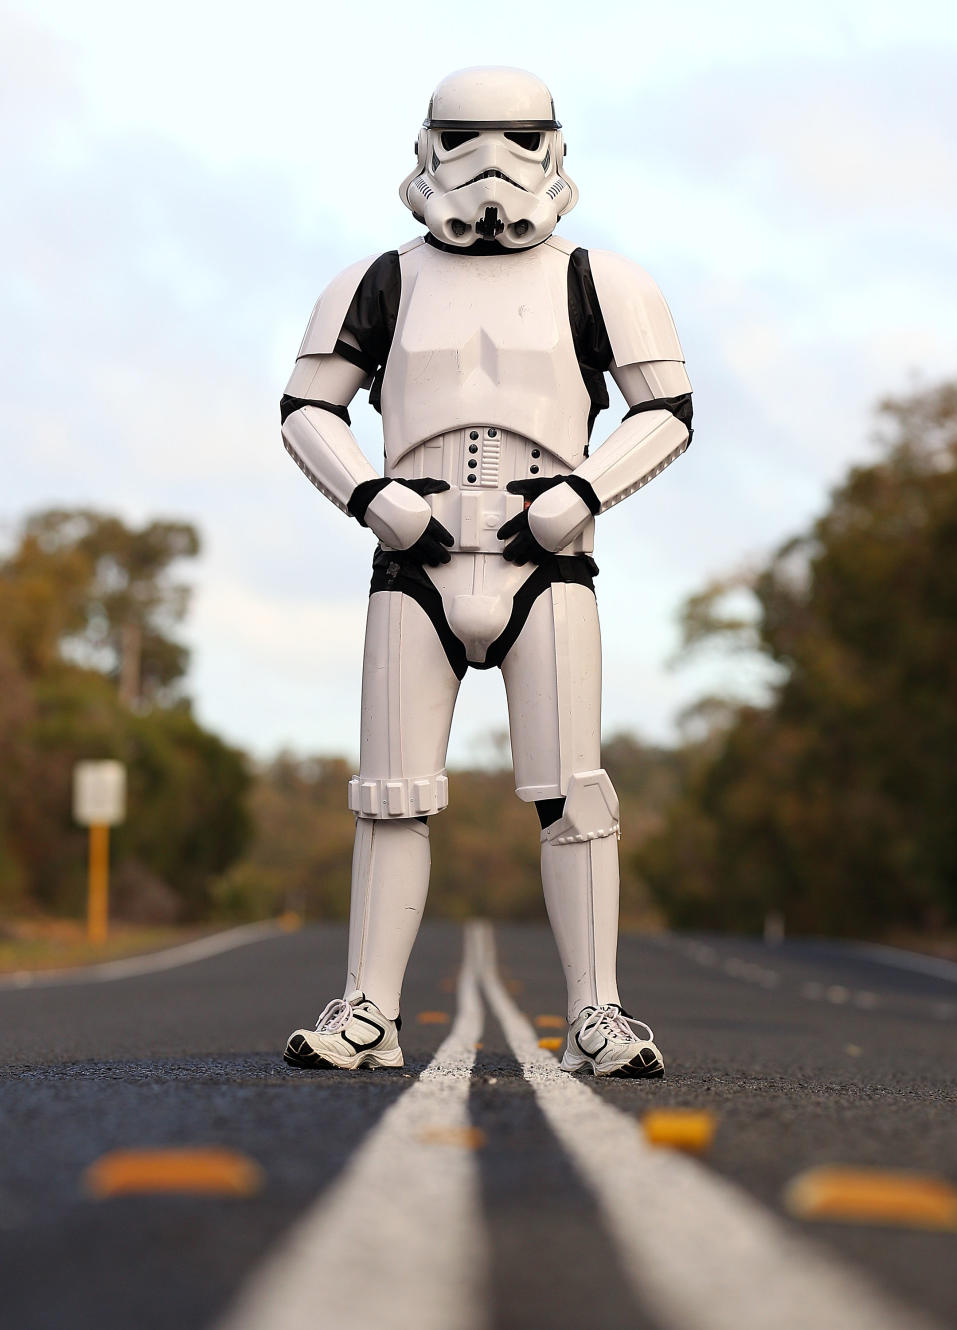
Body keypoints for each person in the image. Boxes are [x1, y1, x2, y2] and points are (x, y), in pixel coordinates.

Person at [281, 66, 692, 1078]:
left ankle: (597, 1011)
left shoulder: (602, 281)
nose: (490, 167)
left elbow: (666, 412)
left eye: (513, 139)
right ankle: (369, 1009)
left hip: (546, 555)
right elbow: (306, 408)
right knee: (390, 793)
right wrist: (371, 496)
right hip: (410, 553)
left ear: (554, 147)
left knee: (575, 795)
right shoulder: (379, 278)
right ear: (427, 147)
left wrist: (585, 493)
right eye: (466, 139)